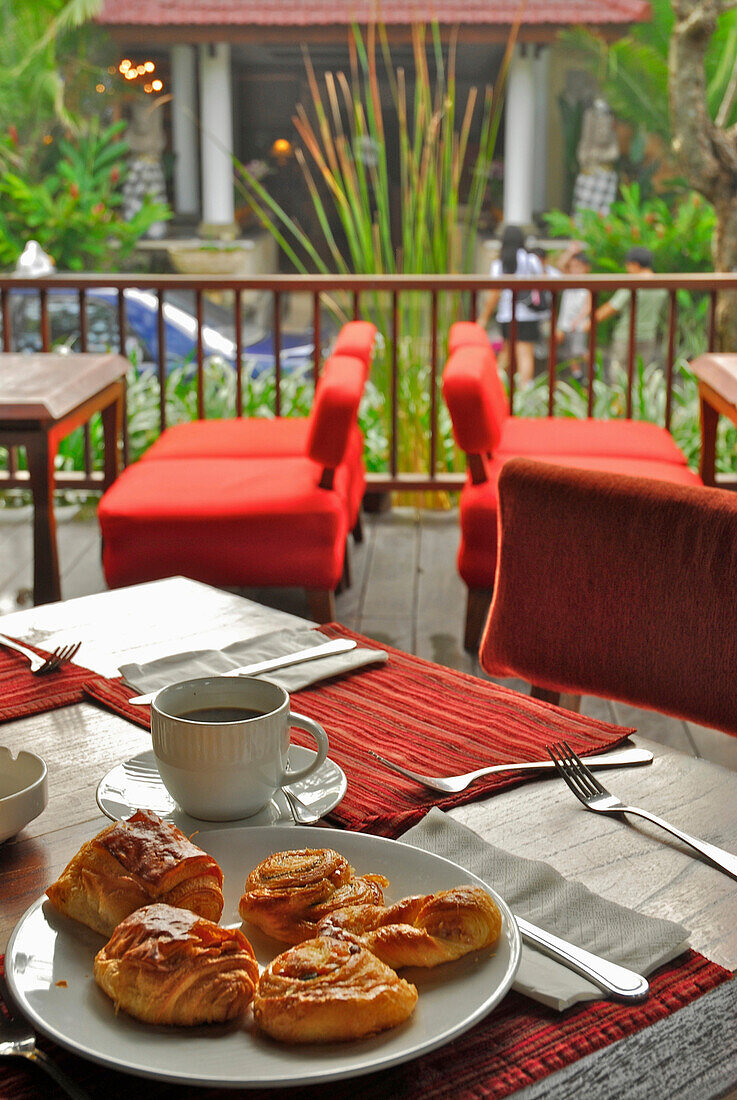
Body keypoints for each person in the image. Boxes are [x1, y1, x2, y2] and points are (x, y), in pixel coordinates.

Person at [478, 225, 545, 386]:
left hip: (507, 313)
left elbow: (495, 293)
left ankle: (497, 387)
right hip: (528, 313)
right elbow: (542, 281)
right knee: (525, 354)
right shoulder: (531, 259)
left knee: (506, 353)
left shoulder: (499, 263)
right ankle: (525, 390)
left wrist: (484, 317)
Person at [586, 246, 667, 374]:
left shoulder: (633, 283)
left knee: (619, 374)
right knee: (640, 375)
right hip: (648, 335)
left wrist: (589, 323)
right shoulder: (662, 285)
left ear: (635, 264)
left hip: (626, 336)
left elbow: (612, 306)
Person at [555, 251, 592, 380]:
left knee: (579, 350)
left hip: (579, 325)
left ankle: (594, 368)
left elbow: (588, 307)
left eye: (579, 266)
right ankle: (578, 377)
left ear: (586, 268)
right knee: (569, 352)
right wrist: (571, 251)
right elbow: (559, 265)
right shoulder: (568, 280)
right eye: (573, 266)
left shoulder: (587, 284)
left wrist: (577, 320)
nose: (575, 269)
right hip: (565, 324)